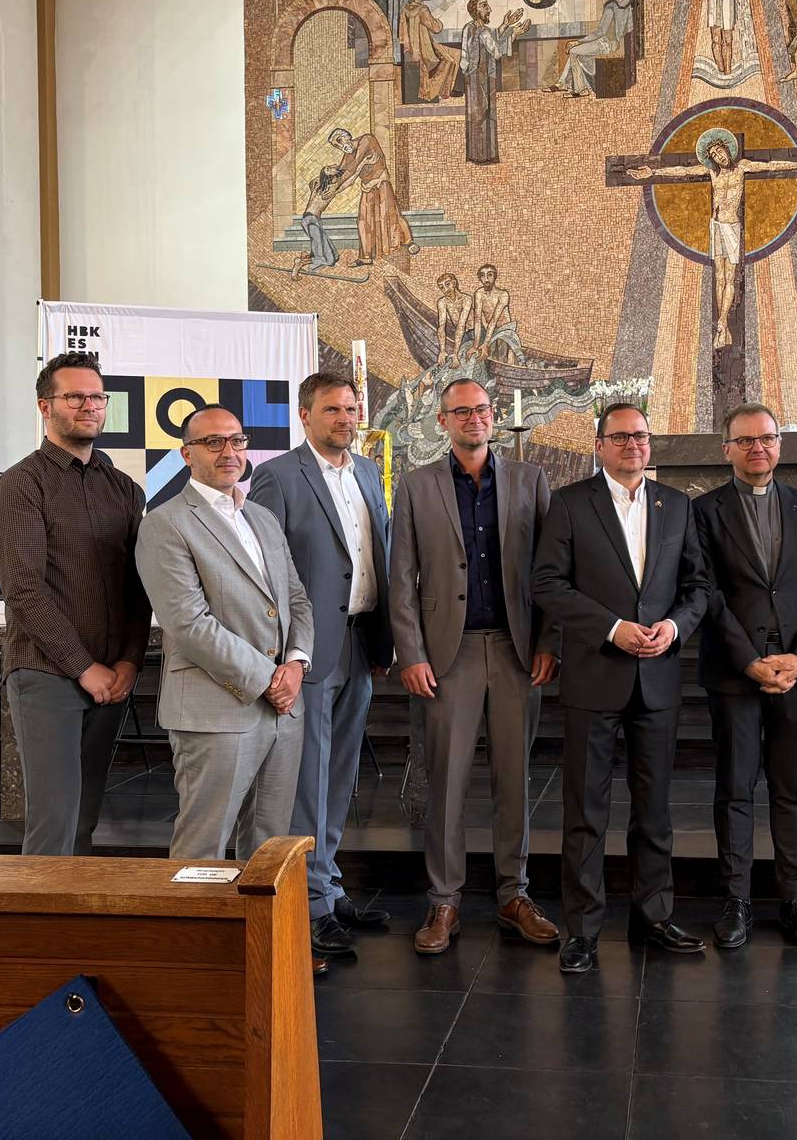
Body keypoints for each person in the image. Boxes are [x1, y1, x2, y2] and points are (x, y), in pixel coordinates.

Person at [532, 404, 710, 975]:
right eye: (620, 437)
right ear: (599, 444)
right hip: (595, 676)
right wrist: (612, 628)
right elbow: (547, 583)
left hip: (657, 678)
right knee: (586, 810)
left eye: (641, 436)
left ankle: (653, 917)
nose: (633, 445)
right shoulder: (569, 503)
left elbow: (698, 587)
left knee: (654, 810)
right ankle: (583, 930)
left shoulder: (676, 505)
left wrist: (675, 627)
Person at [390, 378, 560, 955]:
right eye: (461, 411)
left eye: (482, 409)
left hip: (516, 651)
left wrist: (548, 641)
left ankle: (515, 895)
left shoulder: (530, 480)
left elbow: (550, 572)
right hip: (448, 654)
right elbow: (401, 576)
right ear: (442, 421)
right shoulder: (416, 486)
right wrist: (411, 652)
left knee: (514, 779)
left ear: (494, 415)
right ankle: (444, 901)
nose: (474, 419)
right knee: (447, 782)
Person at [248, 376, 394, 963]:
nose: (344, 418)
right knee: (306, 780)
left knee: (339, 774)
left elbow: (375, 554)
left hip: (361, 641)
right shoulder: (279, 476)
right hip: (306, 650)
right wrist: (286, 651)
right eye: (331, 408)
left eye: (351, 408)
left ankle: (329, 887)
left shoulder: (367, 473)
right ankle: (307, 904)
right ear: (304, 415)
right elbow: (263, 570)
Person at [135, 405, 314, 868]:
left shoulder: (262, 518)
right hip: (216, 709)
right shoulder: (165, 523)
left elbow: (296, 599)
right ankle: (193, 922)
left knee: (270, 850)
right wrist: (270, 679)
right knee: (202, 850)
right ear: (186, 454)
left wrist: (296, 664)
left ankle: (258, 922)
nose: (228, 452)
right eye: (213, 442)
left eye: (237, 440)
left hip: (283, 708)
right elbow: (188, 624)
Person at [0, 352, 151, 856]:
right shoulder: (22, 483)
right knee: (54, 824)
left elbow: (137, 586)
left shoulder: (124, 489)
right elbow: (24, 590)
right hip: (47, 671)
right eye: (75, 396)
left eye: (97, 396)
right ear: (46, 406)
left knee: (83, 820)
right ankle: (38, 912)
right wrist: (84, 667)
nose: (89, 406)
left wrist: (129, 661)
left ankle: (73, 910)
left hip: (111, 673)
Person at [692, 405, 797, 949]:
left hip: (796, 671)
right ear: (726, 449)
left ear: (779, 445)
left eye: (767, 439)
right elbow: (706, 591)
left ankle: (796, 899)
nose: (758, 448)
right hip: (736, 673)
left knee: (792, 789)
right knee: (734, 788)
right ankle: (737, 900)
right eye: (746, 440)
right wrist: (748, 659)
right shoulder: (704, 511)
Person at [628, 132, 797, 348]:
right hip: (716, 225)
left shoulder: (742, 167)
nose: (719, 157)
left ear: (727, 149)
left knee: (730, 278)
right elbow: (683, 170)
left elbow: (771, 166)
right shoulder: (712, 172)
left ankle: (722, 323)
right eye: (714, 155)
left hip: (732, 226)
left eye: (720, 151)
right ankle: (722, 326)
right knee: (719, 277)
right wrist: (653, 172)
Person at [325, 127, 417, 263]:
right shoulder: (348, 155)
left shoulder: (366, 139)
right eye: (336, 145)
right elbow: (343, 174)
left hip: (381, 182)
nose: (340, 146)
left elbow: (354, 166)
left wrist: (347, 173)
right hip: (367, 187)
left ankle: (409, 241)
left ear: (347, 136)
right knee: (363, 221)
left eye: (339, 141)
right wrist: (332, 186)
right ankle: (366, 257)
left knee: (390, 214)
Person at [544, 0, 634, 96]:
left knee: (574, 51)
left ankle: (580, 89)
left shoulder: (612, 5)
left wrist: (578, 41)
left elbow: (600, 31)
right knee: (576, 52)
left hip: (606, 43)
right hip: (613, 41)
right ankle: (562, 83)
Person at [460, 0, 528, 164]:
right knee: (484, 115)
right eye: (484, 6)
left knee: (476, 115)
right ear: (475, 10)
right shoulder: (482, 31)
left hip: (472, 77)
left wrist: (505, 25)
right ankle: (484, 156)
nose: (489, 9)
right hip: (482, 78)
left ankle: (475, 154)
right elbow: (496, 51)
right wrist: (513, 34)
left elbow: (489, 39)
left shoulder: (469, 27)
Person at [401, 0, 461, 102]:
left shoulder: (405, 9)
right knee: (449, 60)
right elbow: (436, 28)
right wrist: (439, 22)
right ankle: (432, 93)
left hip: (415, 49)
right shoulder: (422, 10)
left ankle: (446, 90)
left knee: (456, 53)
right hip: (426, 50)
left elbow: (402, 32)